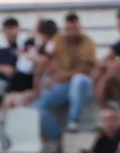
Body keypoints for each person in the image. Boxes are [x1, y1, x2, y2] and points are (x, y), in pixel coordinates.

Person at [37, 12, 98, 140]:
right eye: (69, 28)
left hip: (84, 85)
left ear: (79, 27)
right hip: (63, 85)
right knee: (40, 106)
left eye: (74, 28)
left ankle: (73, 120)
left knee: (78, 80)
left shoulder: (88, 42)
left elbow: (84, 71)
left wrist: (61, 74)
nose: (71, 31)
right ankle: (57, 136)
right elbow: (45, 57)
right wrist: (48, 76)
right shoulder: (57, 40)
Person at [0, 18, 55, 112]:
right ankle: (4, 125)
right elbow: (31, 37)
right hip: (32, 84)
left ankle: (21, 124)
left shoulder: (52, 44)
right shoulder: (39, 46)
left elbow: (44, 60)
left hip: (44, 86)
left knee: (16, 100)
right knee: (8, 98)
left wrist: (30, 56)